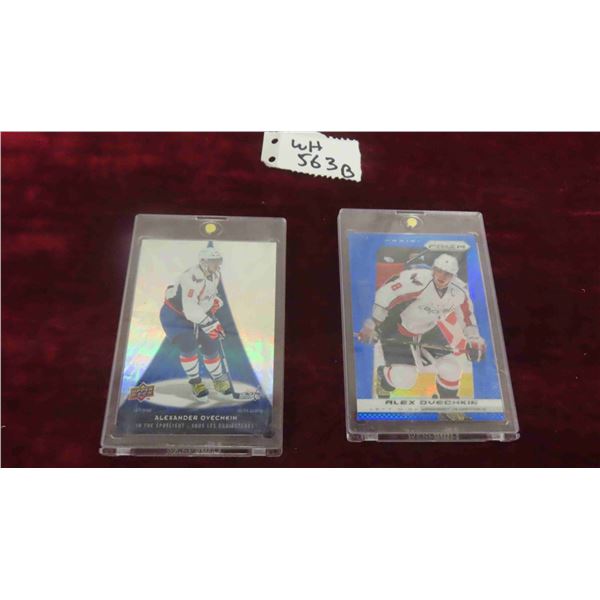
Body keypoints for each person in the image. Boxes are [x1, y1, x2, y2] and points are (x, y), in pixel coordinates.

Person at [357, 253, 486, 399]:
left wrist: (473, 338)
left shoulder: (460, 291)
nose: (442, 276)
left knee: (451, 368)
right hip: (397, 328)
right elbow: (384, 295)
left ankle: (447, 403)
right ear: (433, 269)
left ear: (453, 276)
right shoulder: (418, 280)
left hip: (428, 330)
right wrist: (372, 324)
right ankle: (384, 377)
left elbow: (467, 316)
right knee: (405, 379)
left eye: (448, 274)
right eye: (439, 270)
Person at [160, 246, 233, 399]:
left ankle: (218, 379)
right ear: (203, 262)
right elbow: (190, 309)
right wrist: (210, 323)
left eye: (219, 260)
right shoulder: (190, 277)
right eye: (214, 261)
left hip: (198, 313)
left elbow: (207, 294)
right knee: (188, 345)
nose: (218, 264)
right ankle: (196, 383)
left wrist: (214, 302)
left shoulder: (215, 274)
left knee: (211, 345)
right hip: (177, 316)